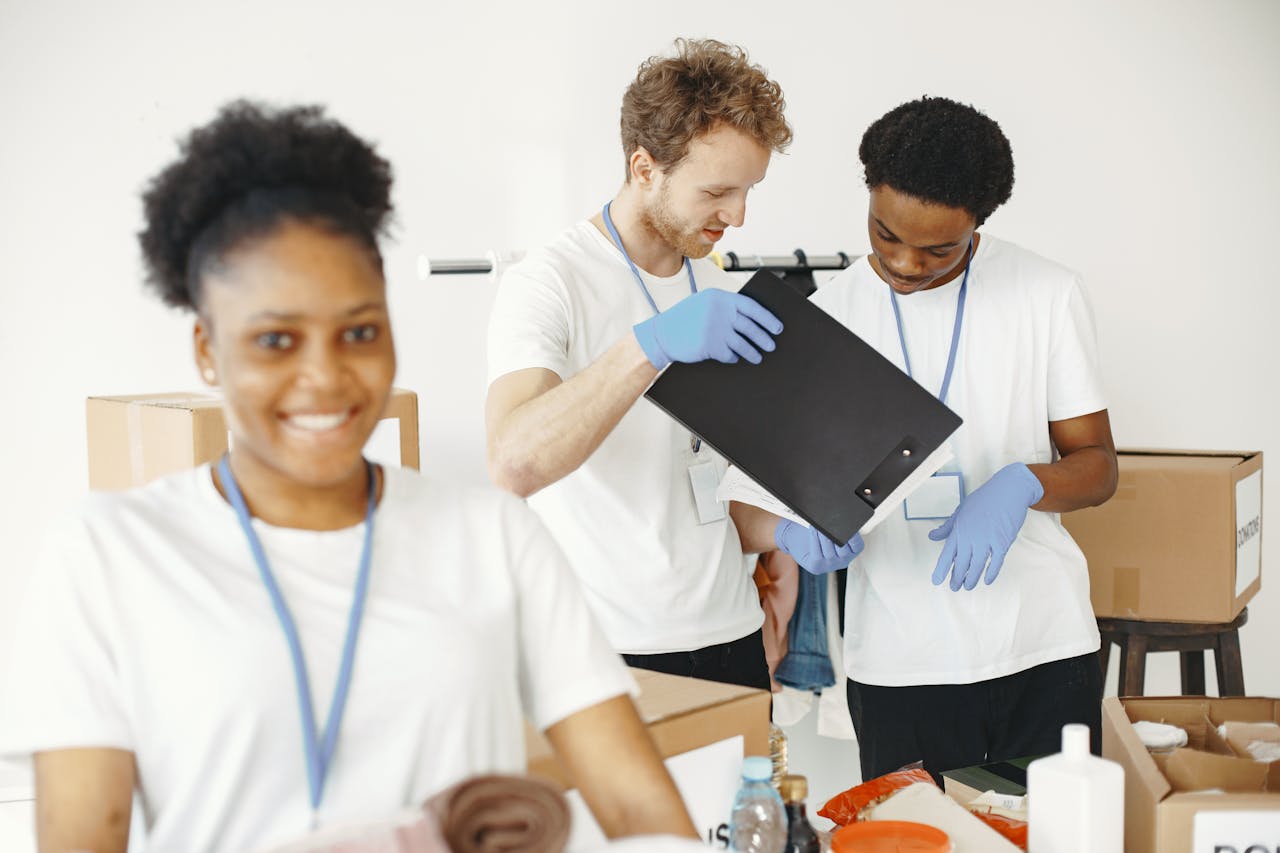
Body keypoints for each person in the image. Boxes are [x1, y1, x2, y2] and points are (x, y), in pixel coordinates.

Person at [0, 101, 696, 853]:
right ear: (207, 350)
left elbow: (645, 813)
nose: (325, 376)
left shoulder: (491, 536)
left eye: (359, 331)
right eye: (275, 340)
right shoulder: (110, 554)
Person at [485, 38, 860, 691]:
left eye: (748, 191)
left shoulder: (711, 284)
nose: (738, 215)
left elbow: (703, 495)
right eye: (717, 190)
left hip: (730, 637)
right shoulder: (548, 281)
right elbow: (514, 461)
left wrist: (790, 533)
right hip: (603, 649)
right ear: (644, 168)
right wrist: (649, 345)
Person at [809, 96, 1118, 781]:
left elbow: (1098, 466)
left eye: (937, 248)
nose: (906, 263)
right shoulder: (829, 317)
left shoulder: (1046, 294)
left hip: (1041, 647)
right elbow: (800, 479)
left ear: (979, 224)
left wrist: (1025, 481)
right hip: (897, 660)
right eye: (885, 234)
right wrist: (806, 525)